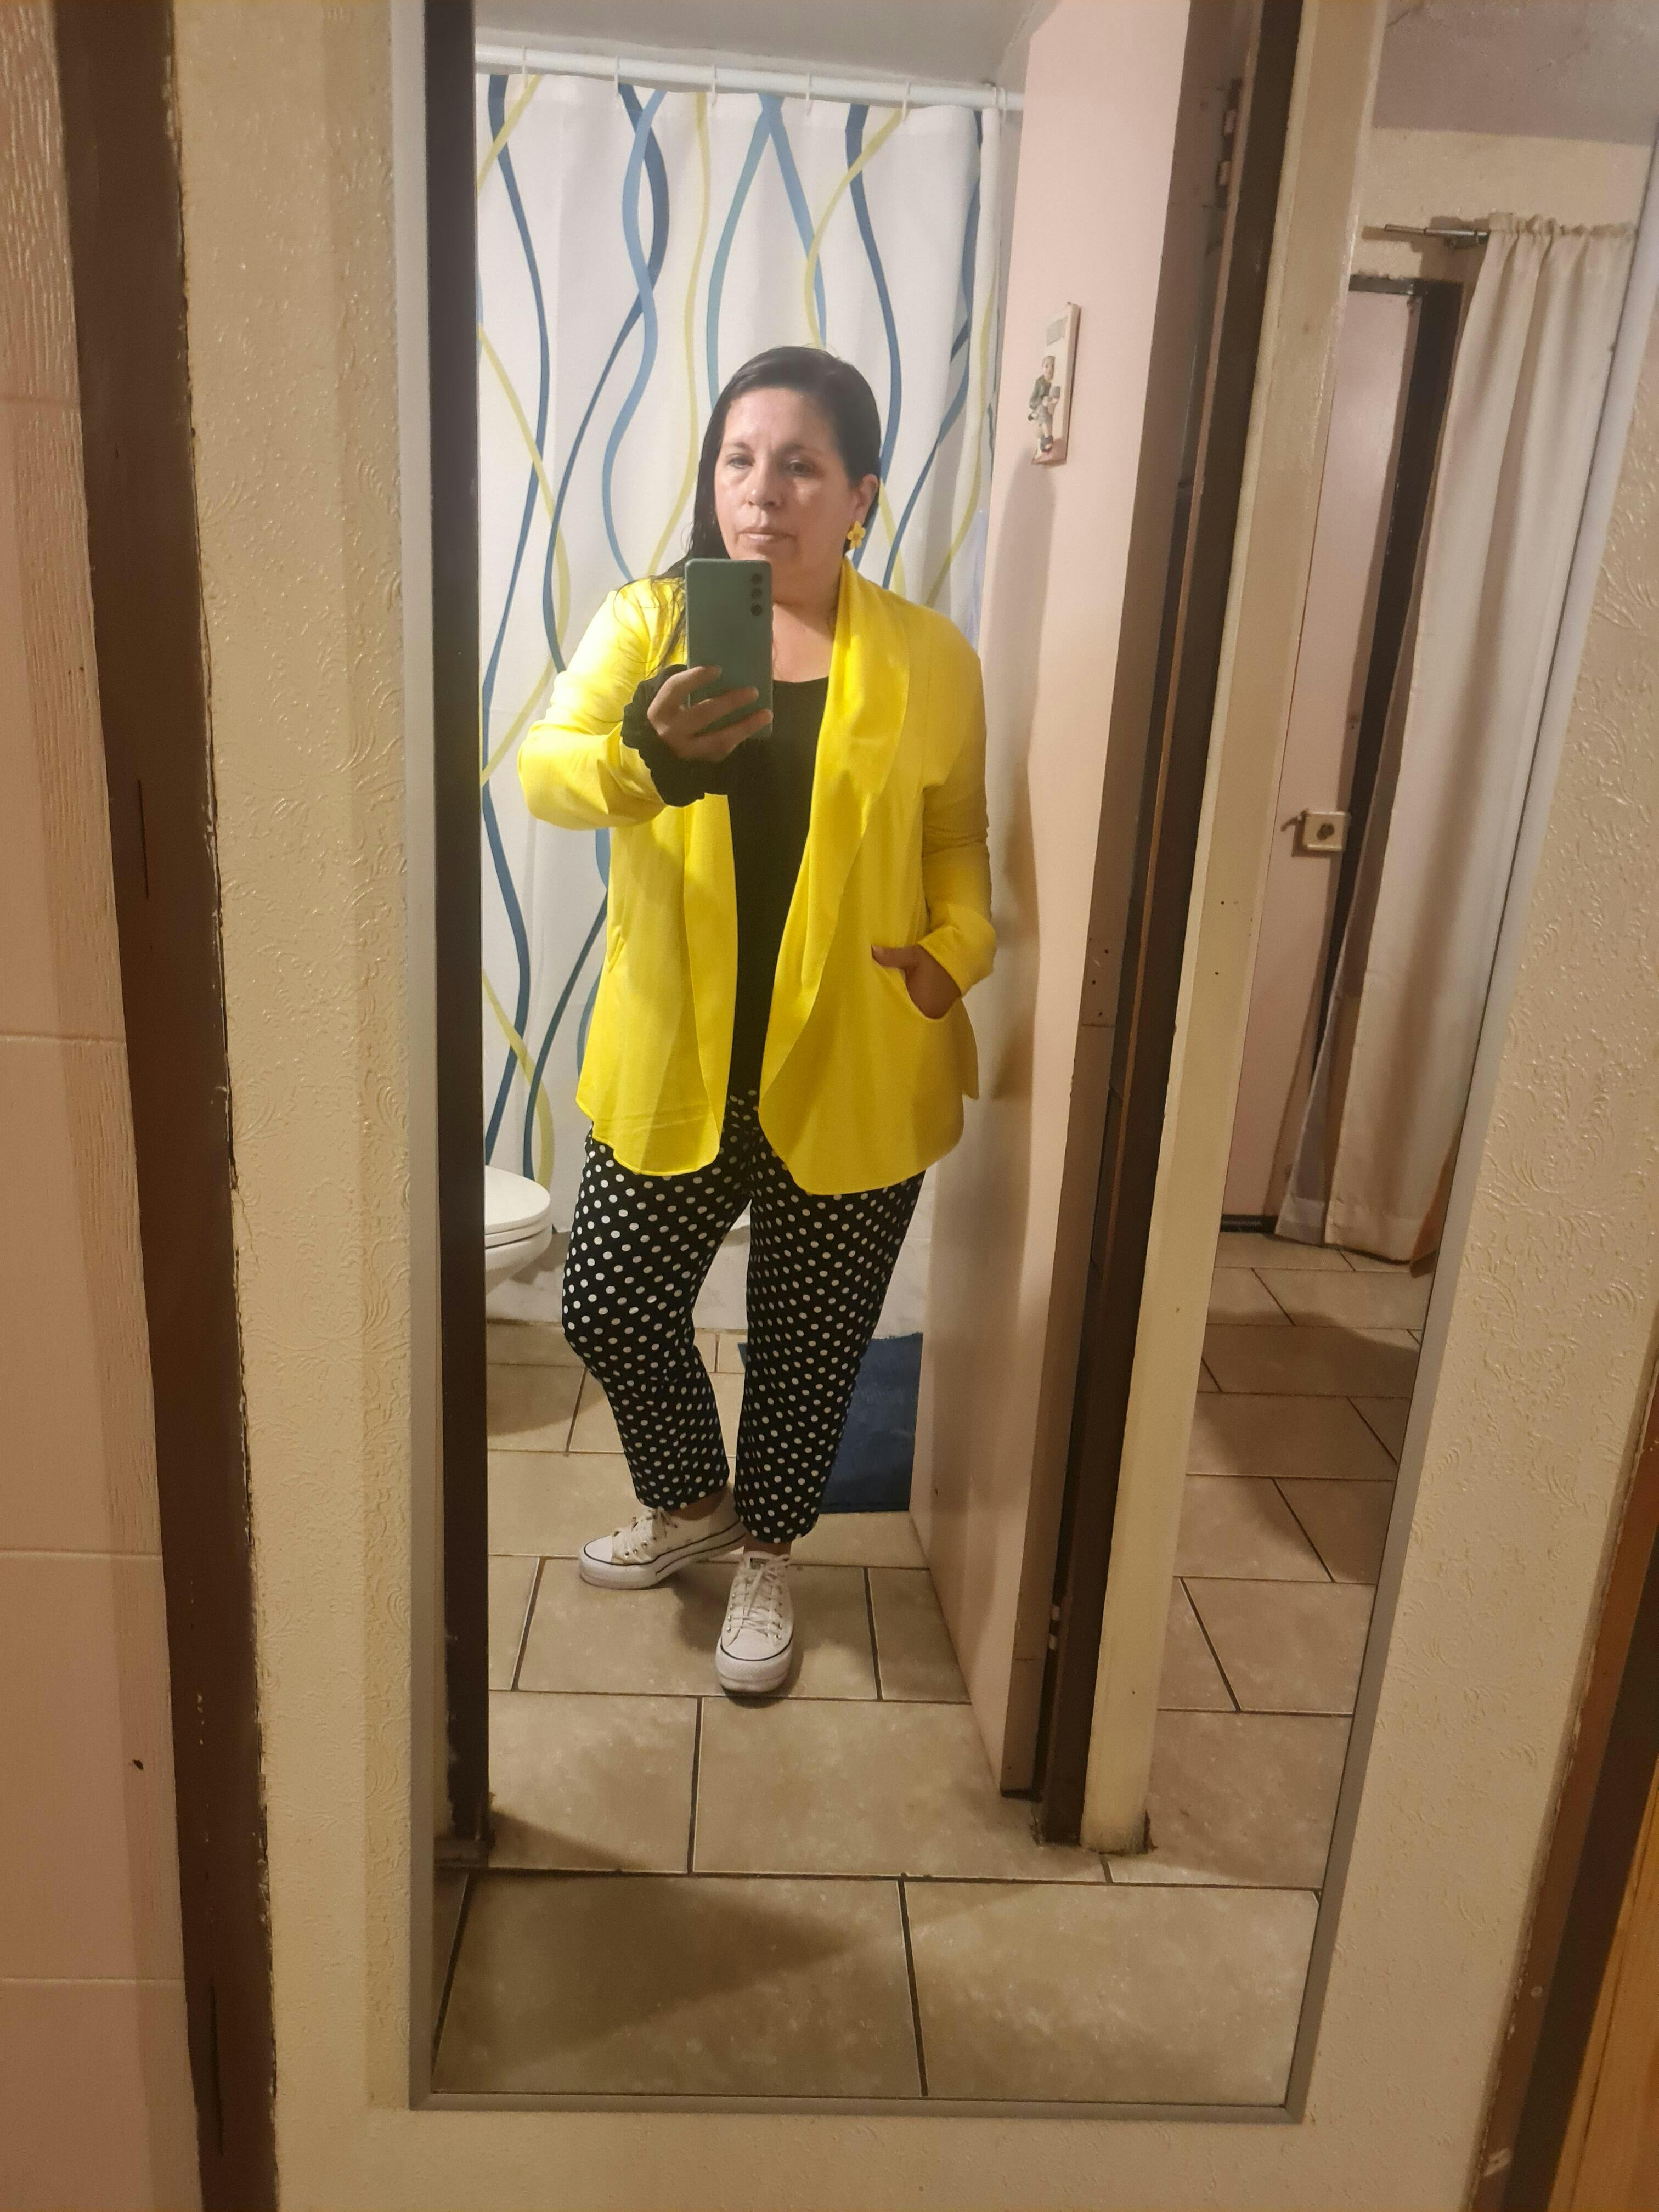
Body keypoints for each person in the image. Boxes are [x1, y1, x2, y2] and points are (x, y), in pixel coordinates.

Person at [517, 346, 994, 1696]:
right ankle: (693, 1503)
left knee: (809, 1337)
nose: (761, 491)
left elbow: (956, 839)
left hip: (860, 1055)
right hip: (678, 1052)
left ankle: (772, 1551)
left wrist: (956, 954)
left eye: (799, 465)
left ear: (861, 496)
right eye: (738, 459)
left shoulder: (929, 657)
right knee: (610, 1301)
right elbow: (546, 771)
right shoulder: (650, 624)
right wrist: (646, 755)